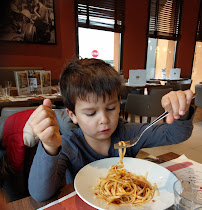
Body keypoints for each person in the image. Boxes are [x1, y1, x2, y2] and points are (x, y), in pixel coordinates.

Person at [28, 58, 194, 202]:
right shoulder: (69, 146)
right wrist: (49, 147)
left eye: (111, 108)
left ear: (119, 102)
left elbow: (175, 134)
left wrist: (182, 110)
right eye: (91, 113)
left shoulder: (129, 134)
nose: (104, 120)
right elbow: (40, 194)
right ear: (73, 115)